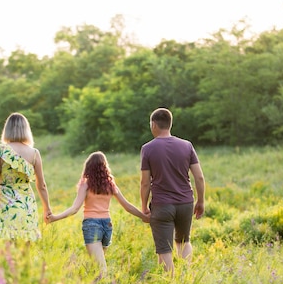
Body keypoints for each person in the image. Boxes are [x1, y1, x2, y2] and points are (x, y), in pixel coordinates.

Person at [46, 151, 149, 274]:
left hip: (92, 225)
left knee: (100, 268)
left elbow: (74, 209)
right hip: (107, 225)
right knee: (97, 266)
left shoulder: (86, 184)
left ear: (88, 167)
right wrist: (144, 217)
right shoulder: (110, 185)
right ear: (104, 167)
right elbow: (128, 206)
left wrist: (55, 218)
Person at [140, 107, 205, 274]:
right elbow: (199, 177)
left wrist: (144, 207)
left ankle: (170, 283)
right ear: (170, 124)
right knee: (184, 241)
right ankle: (186, 277)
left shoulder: (148, 148)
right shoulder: (187, 145)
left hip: (162, 205)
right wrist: (201, 201)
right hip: (186, 203)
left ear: (153, 124)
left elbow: (145, 183)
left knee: (164, 248)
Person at [0, 112, 52, 242]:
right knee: (25, 254)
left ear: (7, 130)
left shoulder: (0, 150)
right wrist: (47, 209)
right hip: (27, 206)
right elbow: (42, 186)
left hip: (7, 205)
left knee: (9, 252)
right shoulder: (34, 153)